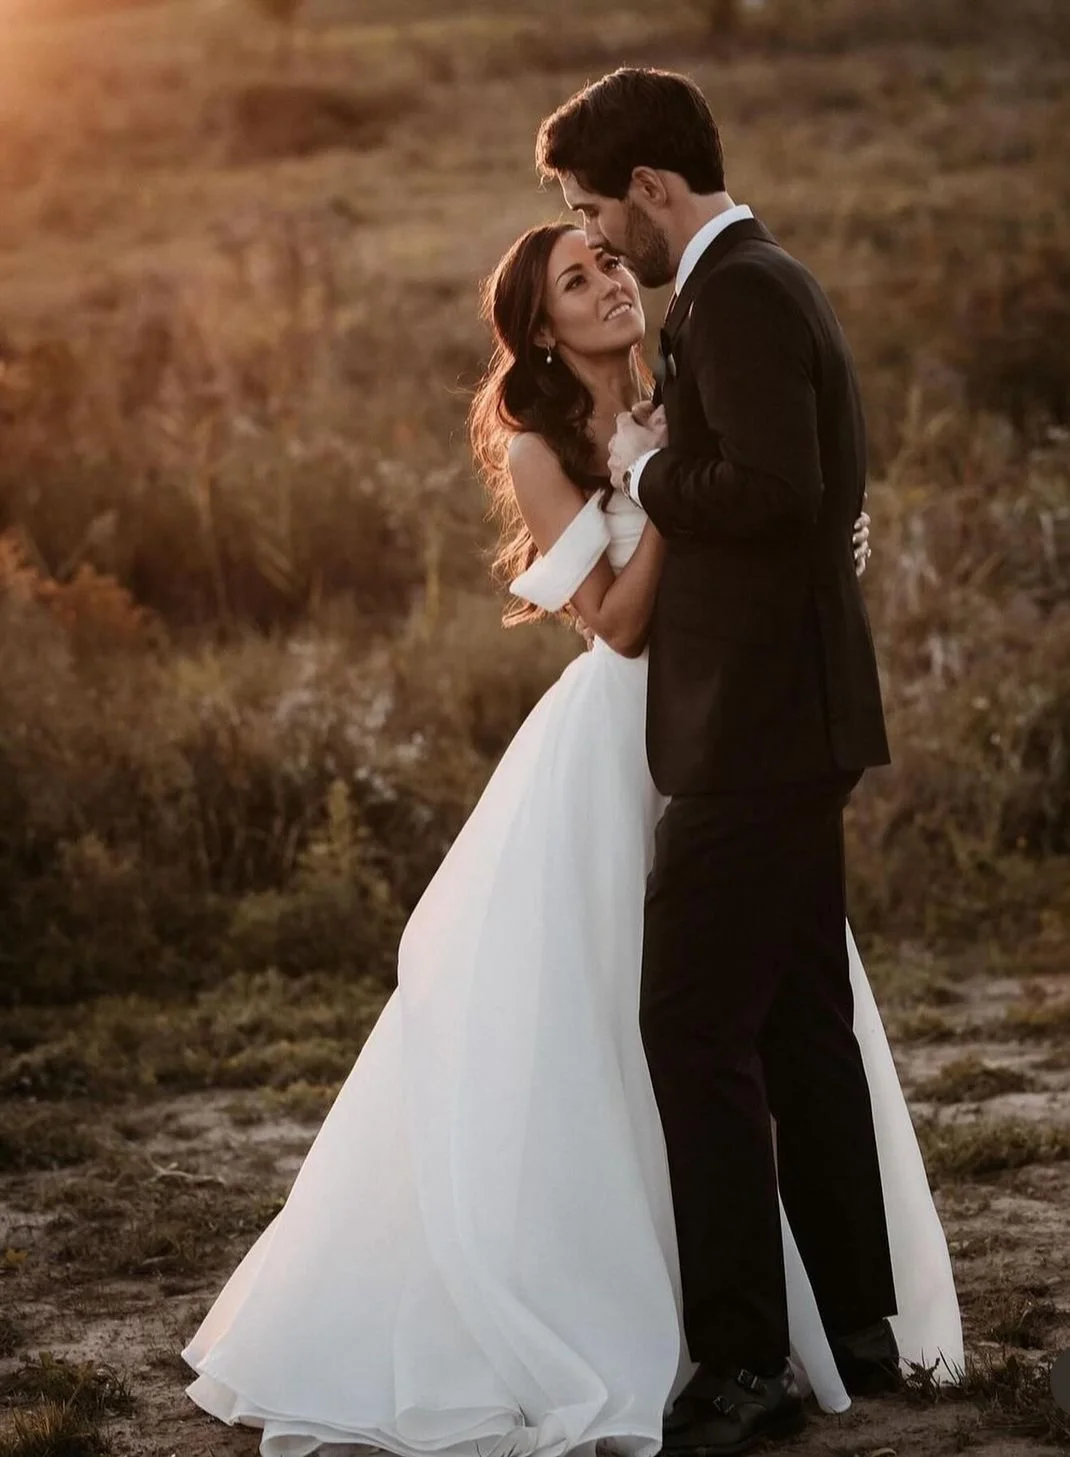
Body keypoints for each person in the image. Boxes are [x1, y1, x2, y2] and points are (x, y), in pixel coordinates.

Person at [182, 218, 961, 1457]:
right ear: (540, 327)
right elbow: (614, 624)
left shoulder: (677, 390)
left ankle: (812, 1312)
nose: (609, 286)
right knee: (619, 1019)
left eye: (608, 264)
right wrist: (652, 491)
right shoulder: (544, 445)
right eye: (576, 280)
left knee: (766, 1013)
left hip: (733, 736)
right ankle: (630, 1313)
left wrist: (693, 473)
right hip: (622, 745)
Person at [533, 66, 959, 1453]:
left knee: (692, 1027)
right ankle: (852, 1324)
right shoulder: (755, 285)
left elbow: (771, 493)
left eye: (604, 208)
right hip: (775, 715)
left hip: (753, 731)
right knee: (793, 1022)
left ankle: (741, 1361)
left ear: (653, 187)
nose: (606, 238)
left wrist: (649, 476)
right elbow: (807, 492)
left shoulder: (740, 292)